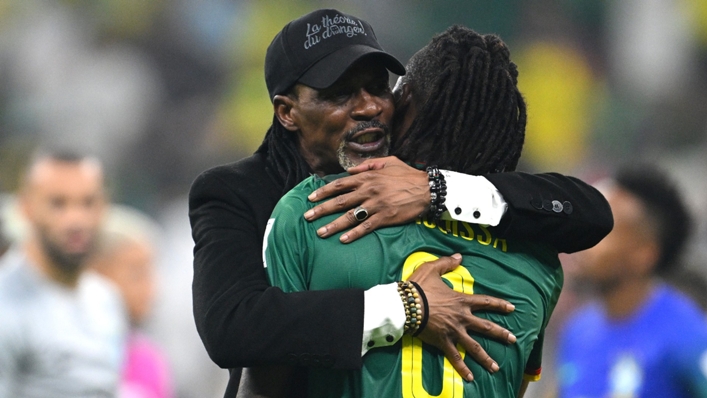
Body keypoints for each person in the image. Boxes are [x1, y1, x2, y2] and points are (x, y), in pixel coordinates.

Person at [188, 8, 612, 396]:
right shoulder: (239, 192)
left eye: (377, 87)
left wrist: (434, 190)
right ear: (287, 112)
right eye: (340, 94)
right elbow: (232, 327)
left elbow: (589, 212)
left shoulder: (421, 185)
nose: (369, 107)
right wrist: (405, 306)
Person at [264, 25, 568, 398]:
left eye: (384, 91)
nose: (372, 108)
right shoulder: (539, 258)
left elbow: (268, 373)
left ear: (404, 104)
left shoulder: (313, 211)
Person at [556, 164, 707, 397]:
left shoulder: (687, 335)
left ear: (643, 254)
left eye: (602, 231)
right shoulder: (577, 331)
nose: (583, 241)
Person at [0, 151, 128, 397]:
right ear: (26, 207)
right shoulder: (4, 302)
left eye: (88, 202)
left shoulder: (107, 300)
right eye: (58, 203)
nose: (76, 219)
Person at [90, 206, 174, 398]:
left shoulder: (147, 358)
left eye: (151, 271)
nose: (152, 289)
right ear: (95, 272)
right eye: (136, 273)